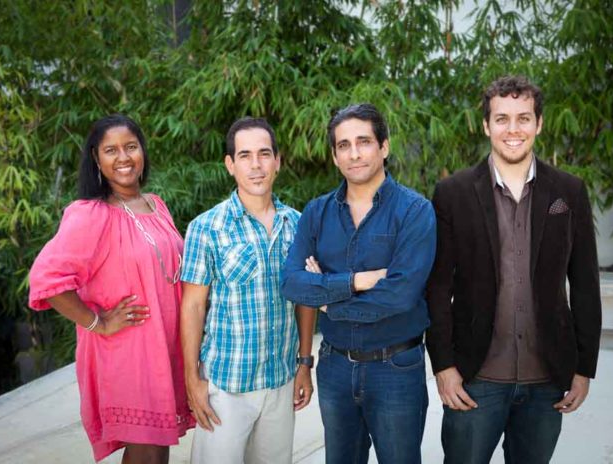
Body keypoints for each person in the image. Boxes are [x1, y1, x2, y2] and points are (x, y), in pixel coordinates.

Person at [426, 75, 602, 463]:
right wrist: (443, 366)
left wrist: (584, 366)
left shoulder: (569, 192)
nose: (513, 129)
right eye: (502, 119)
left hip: (547, 380)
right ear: (487, 126)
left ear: (539, 124)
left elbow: (585, 283)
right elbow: (437, 288)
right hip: (475, 378)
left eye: (524, 118)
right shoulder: (453, 193)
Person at [29, 114, 193, 463]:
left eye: (131, 147)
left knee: (154, 452)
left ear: (142, 152)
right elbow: (46, 279)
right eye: (111, 150)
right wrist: (97, 322)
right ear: (96, 159)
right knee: (147, 453)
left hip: (164, 349)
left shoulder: (156, 205)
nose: (123, 157)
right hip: (127, 353)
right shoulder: (91, 214)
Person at [281, 103, 437, 464]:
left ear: (384, 147)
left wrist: (326, 298)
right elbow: (291, 283)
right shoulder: (316, 213)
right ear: (335, 156)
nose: (354, 153)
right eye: (343, 145)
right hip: (335, 368)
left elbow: (400, 295)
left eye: (364, 142)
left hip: (396, 368)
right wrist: (360, 281)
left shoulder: (414, 211)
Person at [180, 117, 316, 464]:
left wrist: (304, 363)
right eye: (244, 155)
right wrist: (192, 378)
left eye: (264, 154)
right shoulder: (206, 228)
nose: (256, 165)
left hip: (281, 379)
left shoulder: (298, 225)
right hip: (226, 384)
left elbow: (305, 300)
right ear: (230, 164)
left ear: (278, 161)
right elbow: (193, 306)